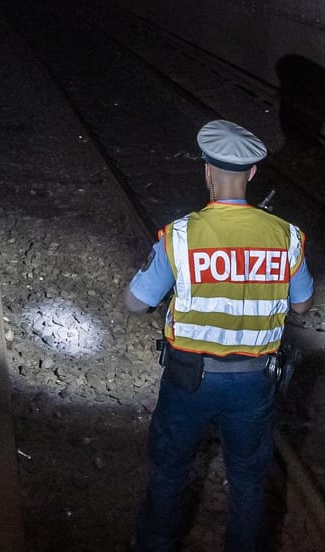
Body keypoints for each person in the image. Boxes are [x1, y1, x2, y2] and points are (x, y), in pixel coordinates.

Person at [126, 119, 313, 552]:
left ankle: (155, 545)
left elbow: (136, 302)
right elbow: (301, 304)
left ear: (206, 171)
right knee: (248, 481)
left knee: (170, 471)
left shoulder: (180, 235)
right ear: (251, 174)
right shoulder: (287, 237)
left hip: (189, 380)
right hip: (254, 382)